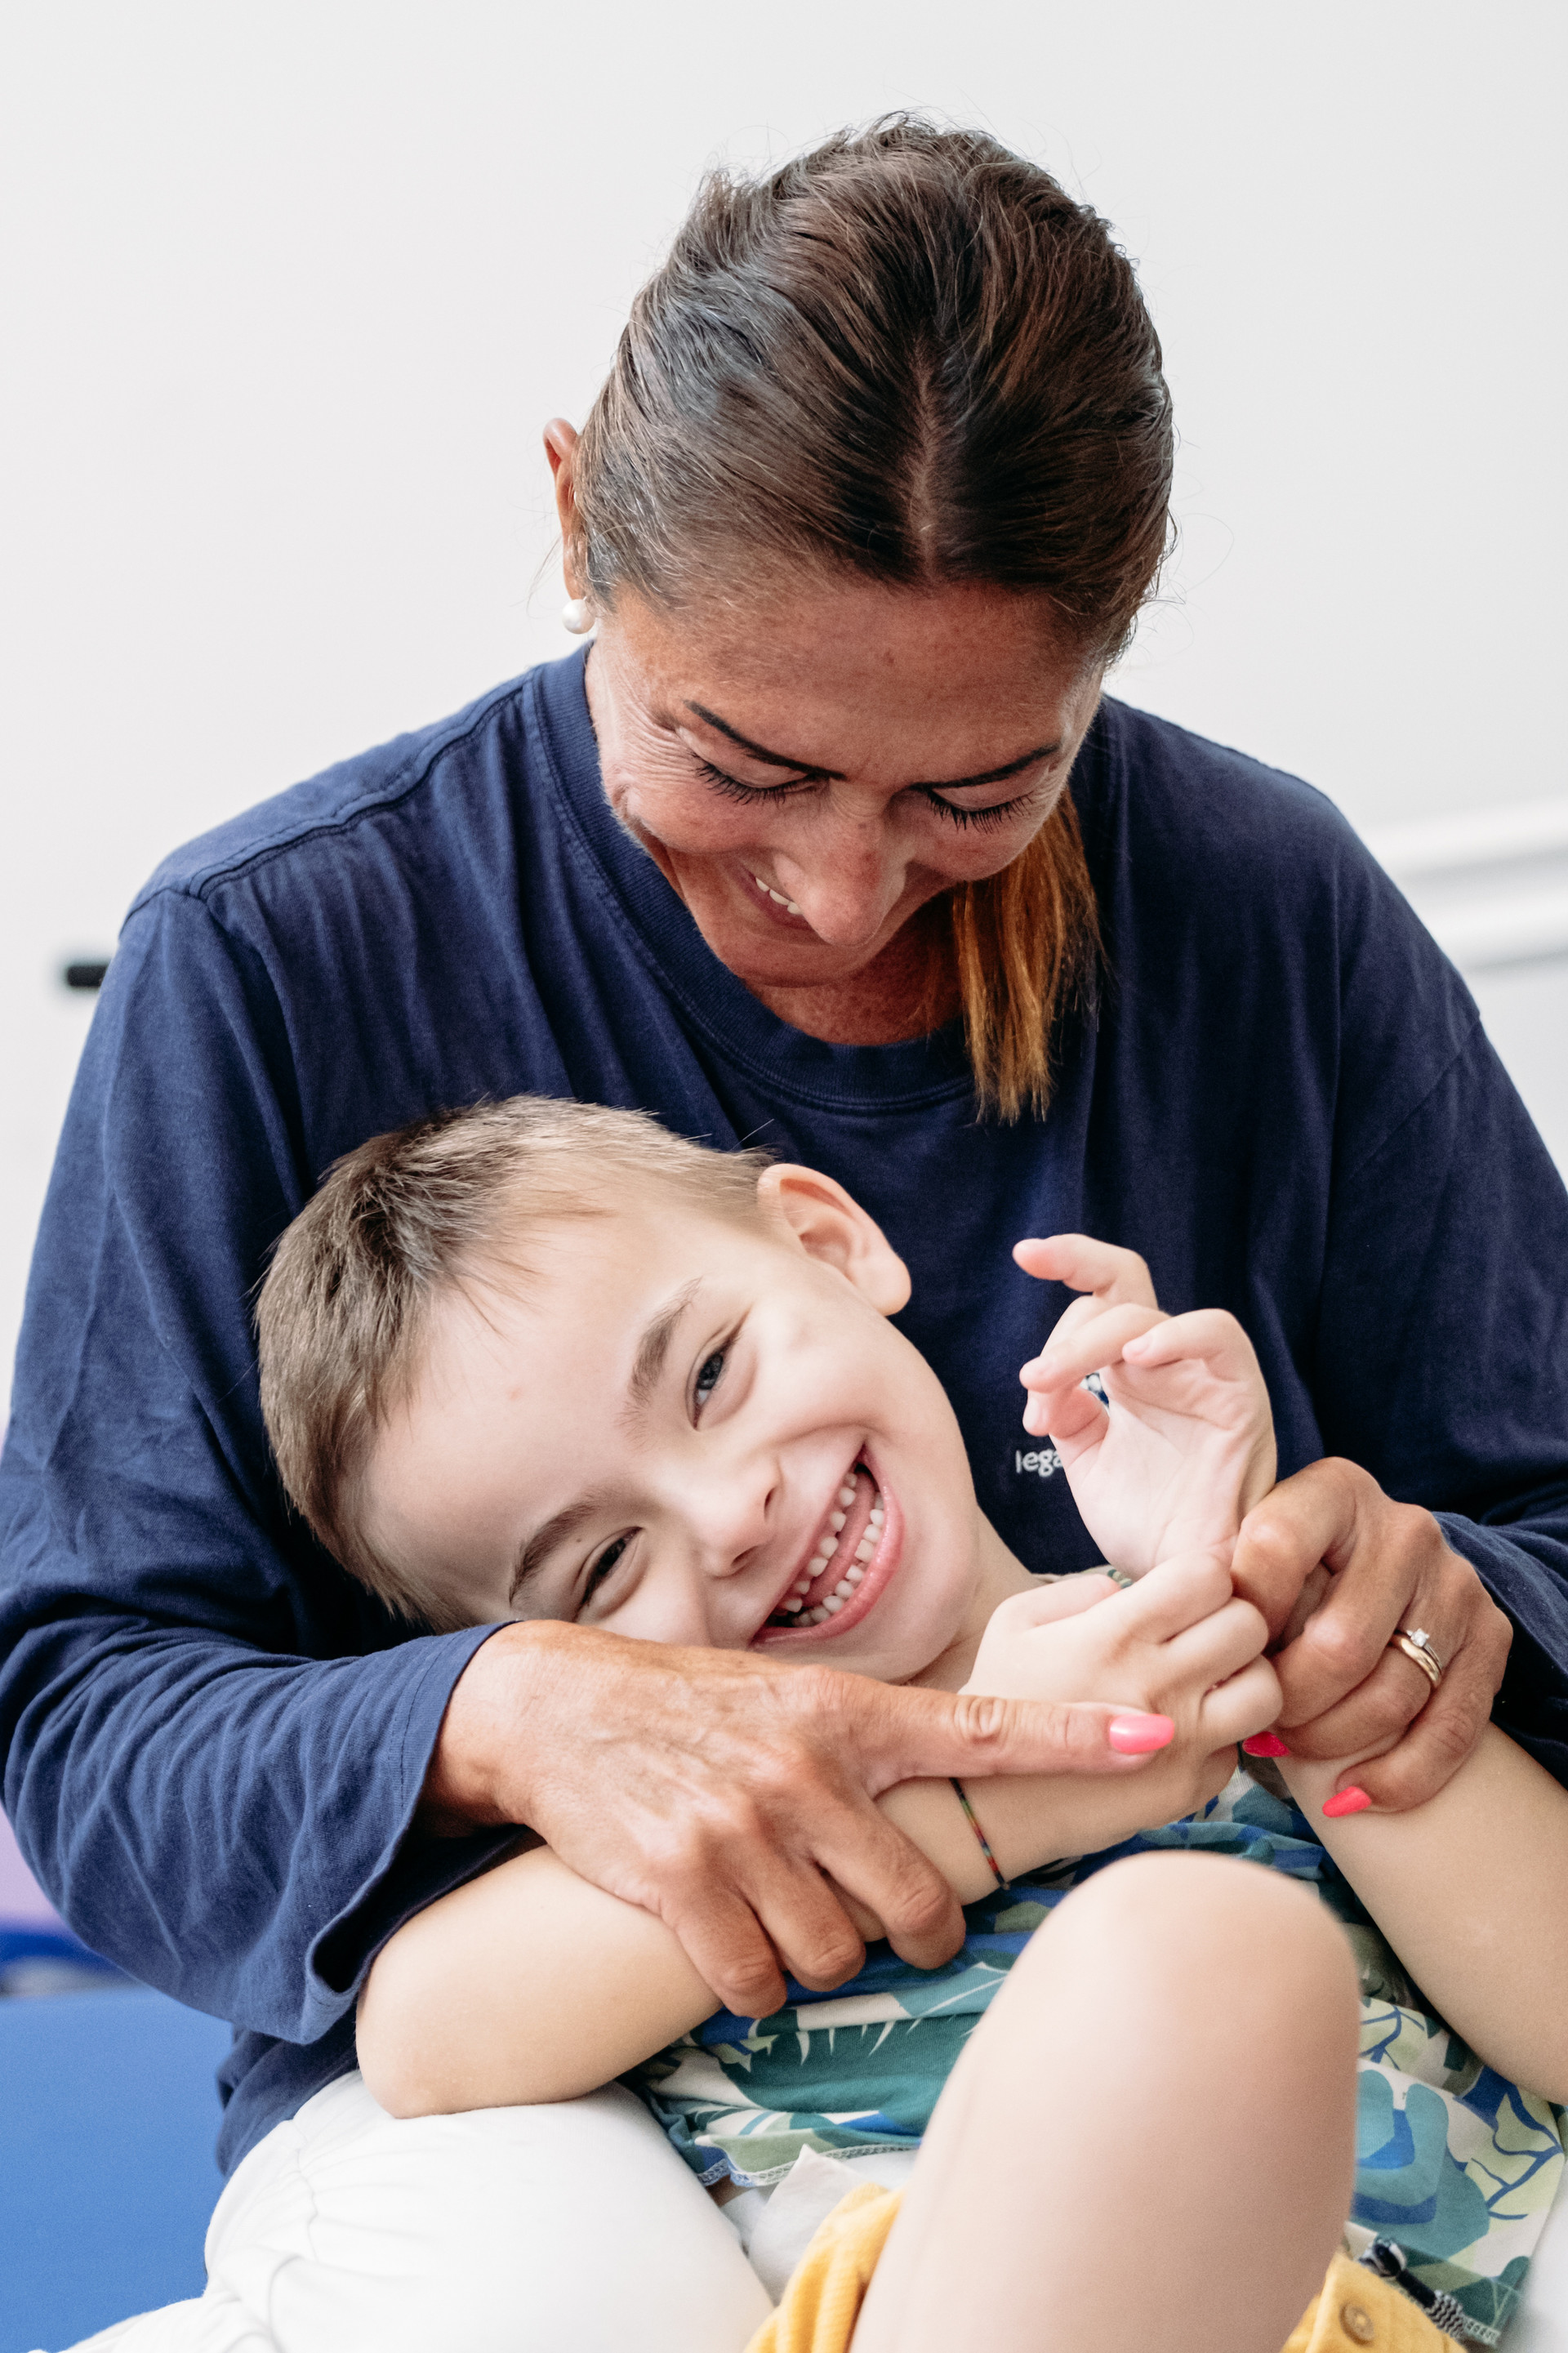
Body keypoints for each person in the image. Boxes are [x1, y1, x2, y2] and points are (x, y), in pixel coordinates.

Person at [2, 115, 1565, 2346]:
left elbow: (1538, 1528)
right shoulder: (270, 951)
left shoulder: (1260, 904)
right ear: (572, 522)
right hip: (599, 2078)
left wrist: (1374, 1617)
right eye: (737, 760)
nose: (840, 893)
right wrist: (526, 1705)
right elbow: (94, 1716)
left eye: (975, 793)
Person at [283, 1096, 1561, 2353]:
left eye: (711, 1374)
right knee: (1203, 1954)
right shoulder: (694, 1829)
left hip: (1379, 2323)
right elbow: (424, 2035)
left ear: (831, 1248)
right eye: (607, 1563)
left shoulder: (1207, 1655)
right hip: (930, 2305)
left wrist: (1258, 1611)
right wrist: (993, 1791)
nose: (730, 1515)